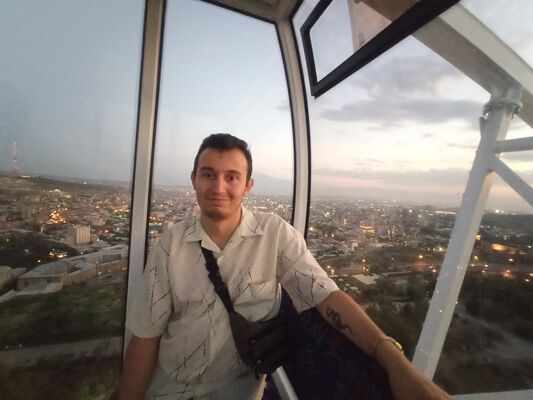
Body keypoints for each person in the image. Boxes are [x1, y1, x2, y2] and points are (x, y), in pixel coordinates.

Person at [117, 133, 451, 400]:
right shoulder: (170, 246)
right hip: (167, 389)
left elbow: (325, 296)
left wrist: (393, 360)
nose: (219, 187)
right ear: (194, 179)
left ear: (248, 186)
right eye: (208, 175)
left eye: (231, 177)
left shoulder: (274, 235)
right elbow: (146, 337)